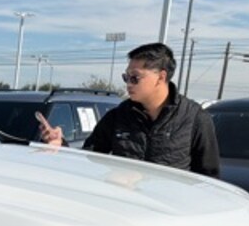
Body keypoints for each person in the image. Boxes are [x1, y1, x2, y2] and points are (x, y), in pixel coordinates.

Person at [38, 42, 220, 176]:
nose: (128, 84)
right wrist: (60, 146)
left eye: (135, 78)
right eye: (127, 77)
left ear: (161, 77)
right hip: (126, 212)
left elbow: (208, 177)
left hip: (170, 217)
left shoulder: (195, 118)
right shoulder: (117, 117)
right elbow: (89, 159)